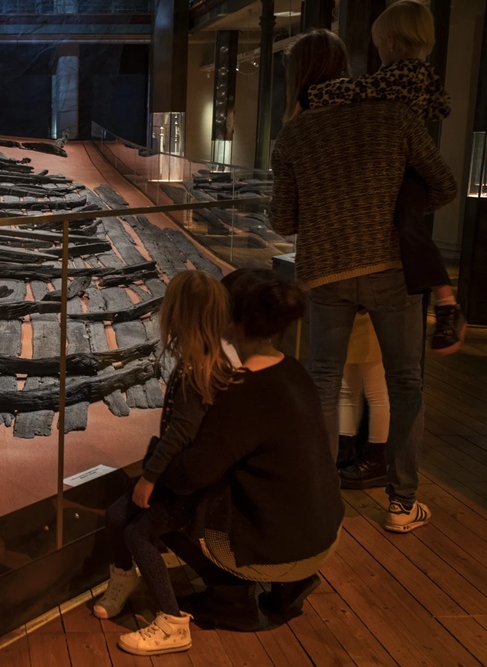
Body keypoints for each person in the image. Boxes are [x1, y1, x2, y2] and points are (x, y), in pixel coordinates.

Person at [269, 29, 457, 531]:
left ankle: (321, 502)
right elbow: (444, 183)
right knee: (405, 383)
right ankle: (402, 503)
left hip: (325, 271)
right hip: (389, 268)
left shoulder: (295, 135)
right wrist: (395, 211)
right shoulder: (393, 116)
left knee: (324, 384)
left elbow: (283, 221)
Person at [152, 269, 344, 632]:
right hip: (323, 535)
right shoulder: (292, 369)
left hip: (286, 550)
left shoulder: (242, 390)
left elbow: (192, 474)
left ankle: (231, 600)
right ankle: (290, 585)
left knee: (165, 502)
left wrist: (153, 464)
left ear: (230, 321)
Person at [301, 0, 464, 355]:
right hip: (408, 169)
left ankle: (446, 301)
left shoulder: (398, 76)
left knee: (408, 225)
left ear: (389, 43)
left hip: (404, 171)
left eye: (378, 45)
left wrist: (315, 94)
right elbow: (443, 106)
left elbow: (358, 90)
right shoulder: (422, 75)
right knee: (407, 227)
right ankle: (434, 299)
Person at [93, 270, 234, 657]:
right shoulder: (208, 362)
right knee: (116, 516)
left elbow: (180, 434)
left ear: (177, 316)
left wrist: (149, 478)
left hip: (184, 483)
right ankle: (125, 578)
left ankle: (172, 622)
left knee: (137, 534)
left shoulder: (197, 371)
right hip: (180, 475)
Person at [338, 311, 390, 488]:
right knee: (352, 391)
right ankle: (350, 456)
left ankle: (374, 460)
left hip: (362, 316)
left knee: (372, 393)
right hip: (358, 316)